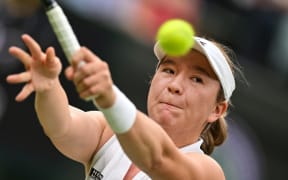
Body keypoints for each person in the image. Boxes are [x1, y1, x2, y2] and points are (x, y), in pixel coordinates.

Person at [6, 33, 239, 180]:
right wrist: (48, 88)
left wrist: (110, 97)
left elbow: (158, 160)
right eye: (169, 70)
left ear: (216, 110)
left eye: (197, 79)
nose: (175, 85)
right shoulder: (108, 131)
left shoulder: (207, 172)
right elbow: (61, 126)